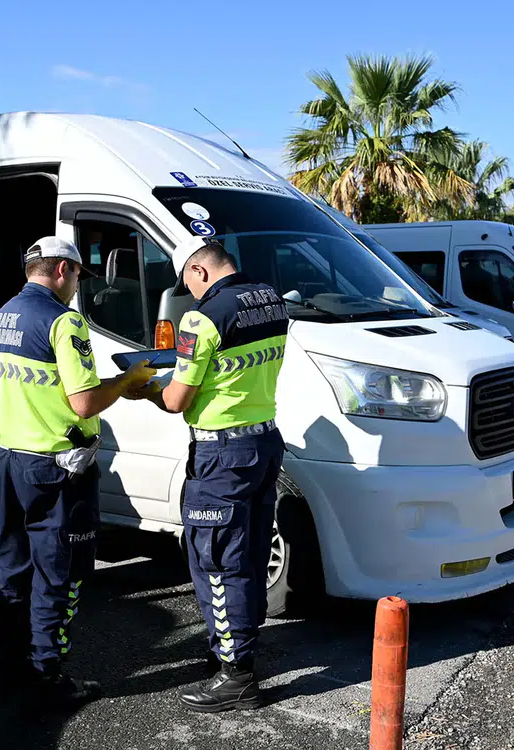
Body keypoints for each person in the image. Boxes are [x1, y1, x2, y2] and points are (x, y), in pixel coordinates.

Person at [0, 236, 155, 715]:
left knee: (12, 570)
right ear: (62, 269)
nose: (78, 285)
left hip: (7, 460)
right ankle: (47, 675)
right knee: (59, 572)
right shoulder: (63, 321)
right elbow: (83, 402)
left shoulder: (5, 315)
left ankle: (10, 668)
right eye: (79, 275)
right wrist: (126, 381)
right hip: (53, 468)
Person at [135, 236, 289, 713]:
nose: (191, 294)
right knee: (250, 551)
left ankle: (235, 675)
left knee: (216, 560)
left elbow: (177, 399)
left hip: (221, 454)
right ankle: (238, 648)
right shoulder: (271, 300)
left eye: (189, 284)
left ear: (199, 272)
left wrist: (144, 389)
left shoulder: (201, 319)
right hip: (264, 443)